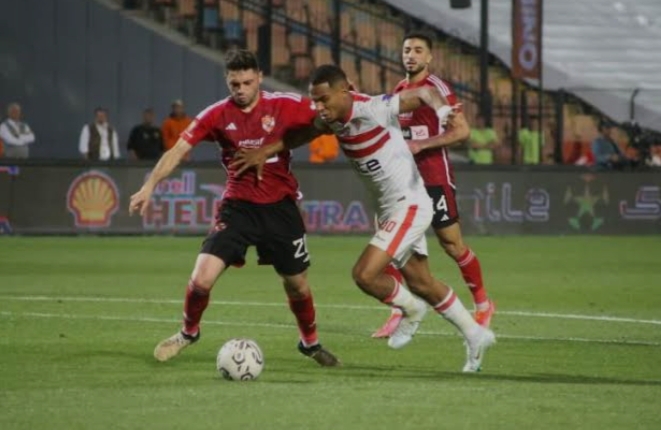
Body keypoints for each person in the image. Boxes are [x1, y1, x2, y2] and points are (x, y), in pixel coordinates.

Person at [234, 65, 495, 372]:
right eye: (315, 100)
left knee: (365, 275)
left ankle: (412, 310)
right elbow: (305, 133)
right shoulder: (330, 118)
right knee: (422, 282)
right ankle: (476, 335)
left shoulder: (373, 108)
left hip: (409, 205)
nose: (319, 107)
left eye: (324, 99)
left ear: (344, 91)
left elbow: (425, 93)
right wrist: (265, 151)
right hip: (387, 209)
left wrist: (441, 111)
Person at [128, 48, 339, 367]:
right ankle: (188, 332)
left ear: (260, 78)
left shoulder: (286, 105)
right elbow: (178, 150)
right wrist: (149, 185)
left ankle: (310, 343)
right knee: (201, 278)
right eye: (234, 84)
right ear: (227, 81)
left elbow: (325, 119)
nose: (240, 90)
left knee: (297, 285)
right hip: (238, 208)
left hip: (280, 208)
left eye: (247, 82)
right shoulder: (216, 115)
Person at [372, 32, 495, 339]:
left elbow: (462, 131)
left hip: (434, 177)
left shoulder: (437, 88)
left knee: (452, 244)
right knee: (390, 244)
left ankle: (483, 304)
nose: (411, 55)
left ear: (429, 57)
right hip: (403, 181)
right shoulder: (399, 90)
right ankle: (399, 310)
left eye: (418, 50)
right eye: (407, 50)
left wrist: (422, 144)